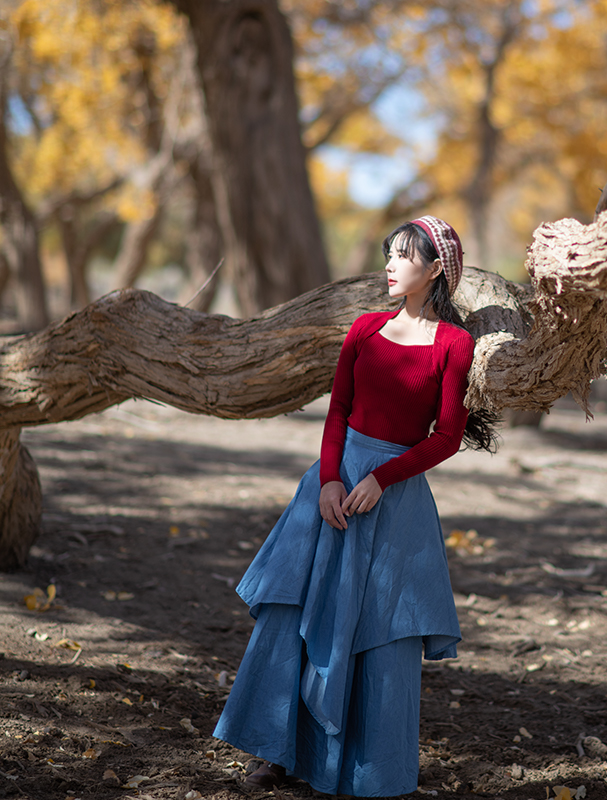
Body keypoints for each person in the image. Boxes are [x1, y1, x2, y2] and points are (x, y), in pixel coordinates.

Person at [213, 215, 496, 797]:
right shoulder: (365, 328)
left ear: (436, 269)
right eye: (387, 253)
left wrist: (383, 479)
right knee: (294, 612)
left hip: (393, 503)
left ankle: (363, 769)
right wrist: (329, 482)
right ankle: (273, 750)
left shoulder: (454, 344)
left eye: (402, 256)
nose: (389, 265)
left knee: (381, 631)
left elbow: (445, 436)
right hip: (330, 489)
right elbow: (338, 409)